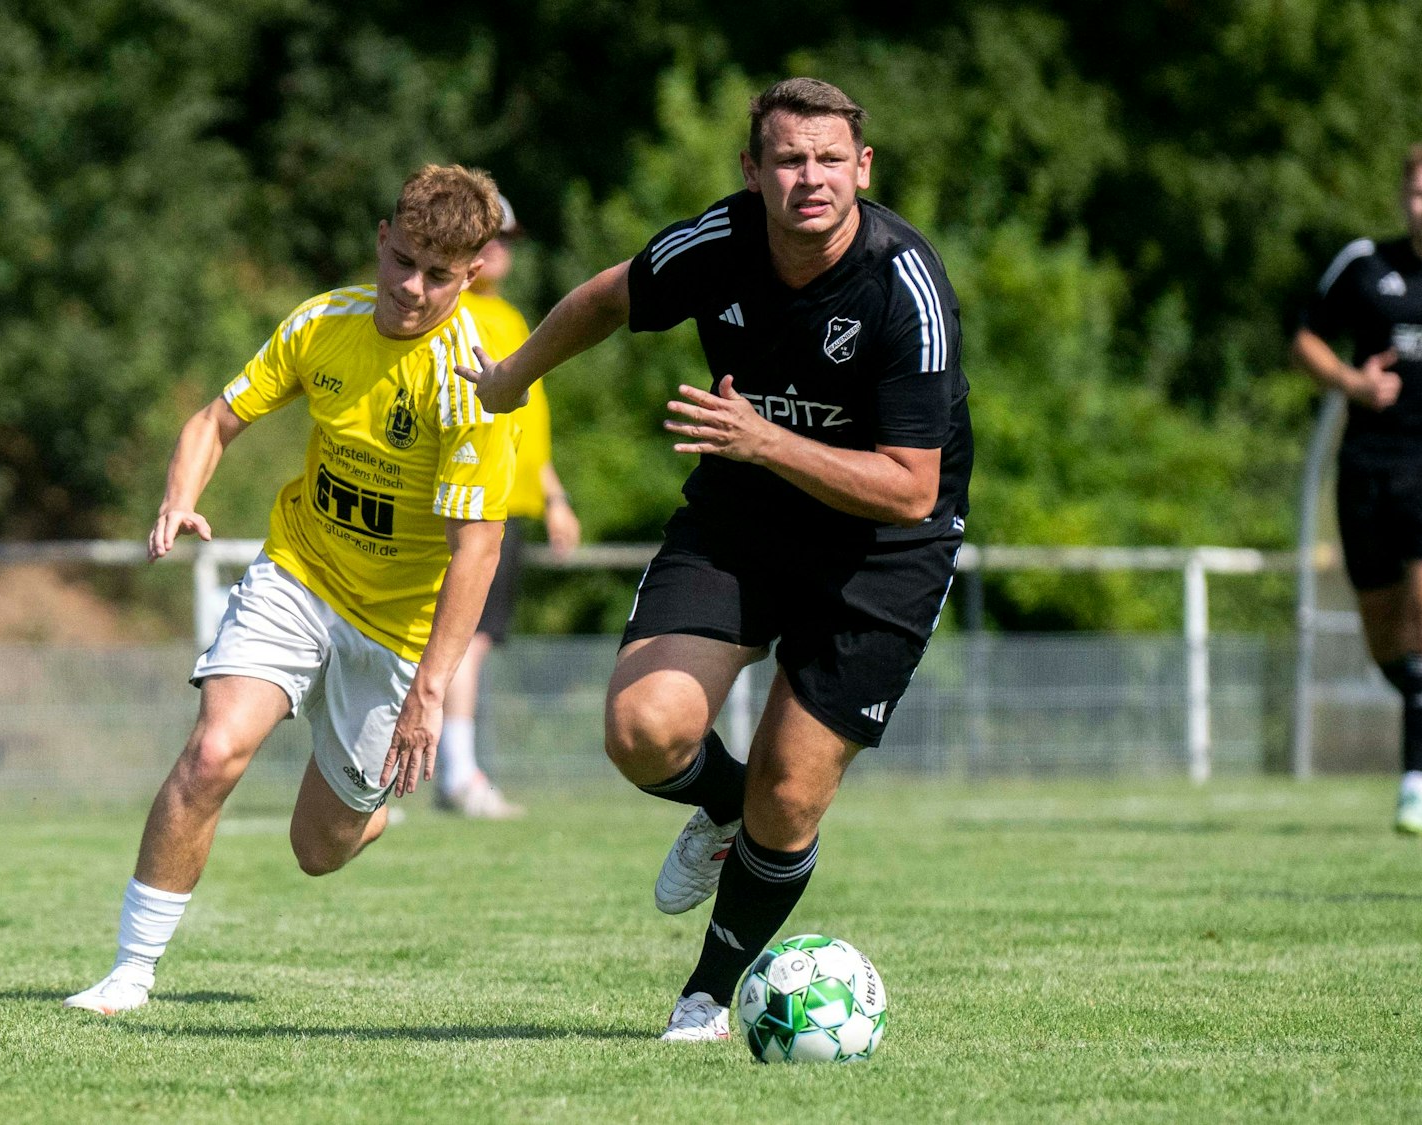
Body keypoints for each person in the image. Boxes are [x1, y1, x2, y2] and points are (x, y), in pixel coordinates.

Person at [464, 78, 971, 1040]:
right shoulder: (722, 241)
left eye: (829, 159)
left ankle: (706, 996)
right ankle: (722, 805)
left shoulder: (904, 284)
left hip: (885, 550)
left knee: (792, 790)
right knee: (641, 726)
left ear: (862, 169)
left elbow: (911, 486)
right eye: (787, 159)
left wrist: (764, 439)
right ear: (753, 170)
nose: (808, 178)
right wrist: (511, 377)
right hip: (743, 519)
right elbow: (608, 297)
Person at [64, 165, 518, 1016]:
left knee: (318, 846)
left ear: (474, 272)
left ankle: (365, 806)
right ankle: (130, 970)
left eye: (439, 275)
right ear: (382, 239)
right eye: (405, 261)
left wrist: (430, 691)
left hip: (396, 629)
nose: (413, 289)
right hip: (300, 574)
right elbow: (215, 420)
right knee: (212, 753)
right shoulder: (323, 323)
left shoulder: (476, 387)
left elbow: (476, 552)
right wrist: (179, 497)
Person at [1292, 142, 1422, 834]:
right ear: (1405, 201)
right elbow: (1306, 339)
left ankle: (1415, 789)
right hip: (1369, 471)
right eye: (1419, 194)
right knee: (1387, 640)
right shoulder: (1364, 266)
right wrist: (1351, 383)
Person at [438, 194, 582, 819]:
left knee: (473, 640)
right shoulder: (445, 311)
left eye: (508, 239)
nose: (499, 248)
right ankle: (457, 775)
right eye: (487, 237)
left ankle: (440, 769)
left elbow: (527, 426)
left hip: (511, 504)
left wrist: (553, 496)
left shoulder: (513, 318)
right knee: (460, 639)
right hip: (468, 499)